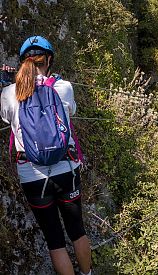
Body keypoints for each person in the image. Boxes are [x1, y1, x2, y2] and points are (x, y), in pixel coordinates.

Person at [0, 36, 92, 275]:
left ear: (22, 63)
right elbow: (70, 111)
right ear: (48, 60)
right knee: (77, 230)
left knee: (54, 239)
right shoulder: (63, 88)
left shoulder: (9, 93)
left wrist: (10, 83)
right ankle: (87, 273)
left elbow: (7, 117)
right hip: (66, 169)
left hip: (32, 175)